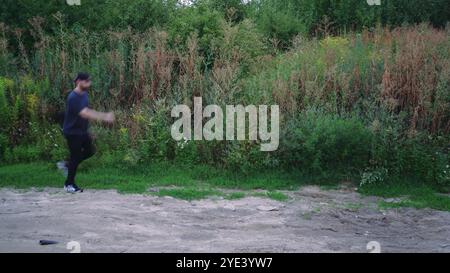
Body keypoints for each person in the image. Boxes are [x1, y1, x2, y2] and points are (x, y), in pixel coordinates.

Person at [58, 72, 115, 193]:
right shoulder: (73, 97)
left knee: (90, 151)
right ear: (79, 81)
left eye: (89, 81)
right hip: (72, 132)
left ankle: (67, 165)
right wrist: (105, 116)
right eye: (86, 81)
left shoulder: (84, 94)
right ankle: (69, 184)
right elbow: (85, 113)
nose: (89, 83)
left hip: (82, 131)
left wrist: (88, 129)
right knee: (75, 156)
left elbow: (86, 113)